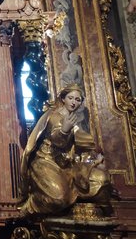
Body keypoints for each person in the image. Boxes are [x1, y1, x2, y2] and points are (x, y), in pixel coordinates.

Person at [20, 84, 114, 216]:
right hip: (47, 161)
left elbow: (82, 143)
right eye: (71, 98)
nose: (74, 102)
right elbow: (57, 139)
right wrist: (64, 130)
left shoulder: (72, 119)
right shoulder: (54, 116)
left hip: (68, 164)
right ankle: (31, 205)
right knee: (58, 198)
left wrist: (95, 156)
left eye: (78, 100)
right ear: (63, 99)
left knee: (102, 180)